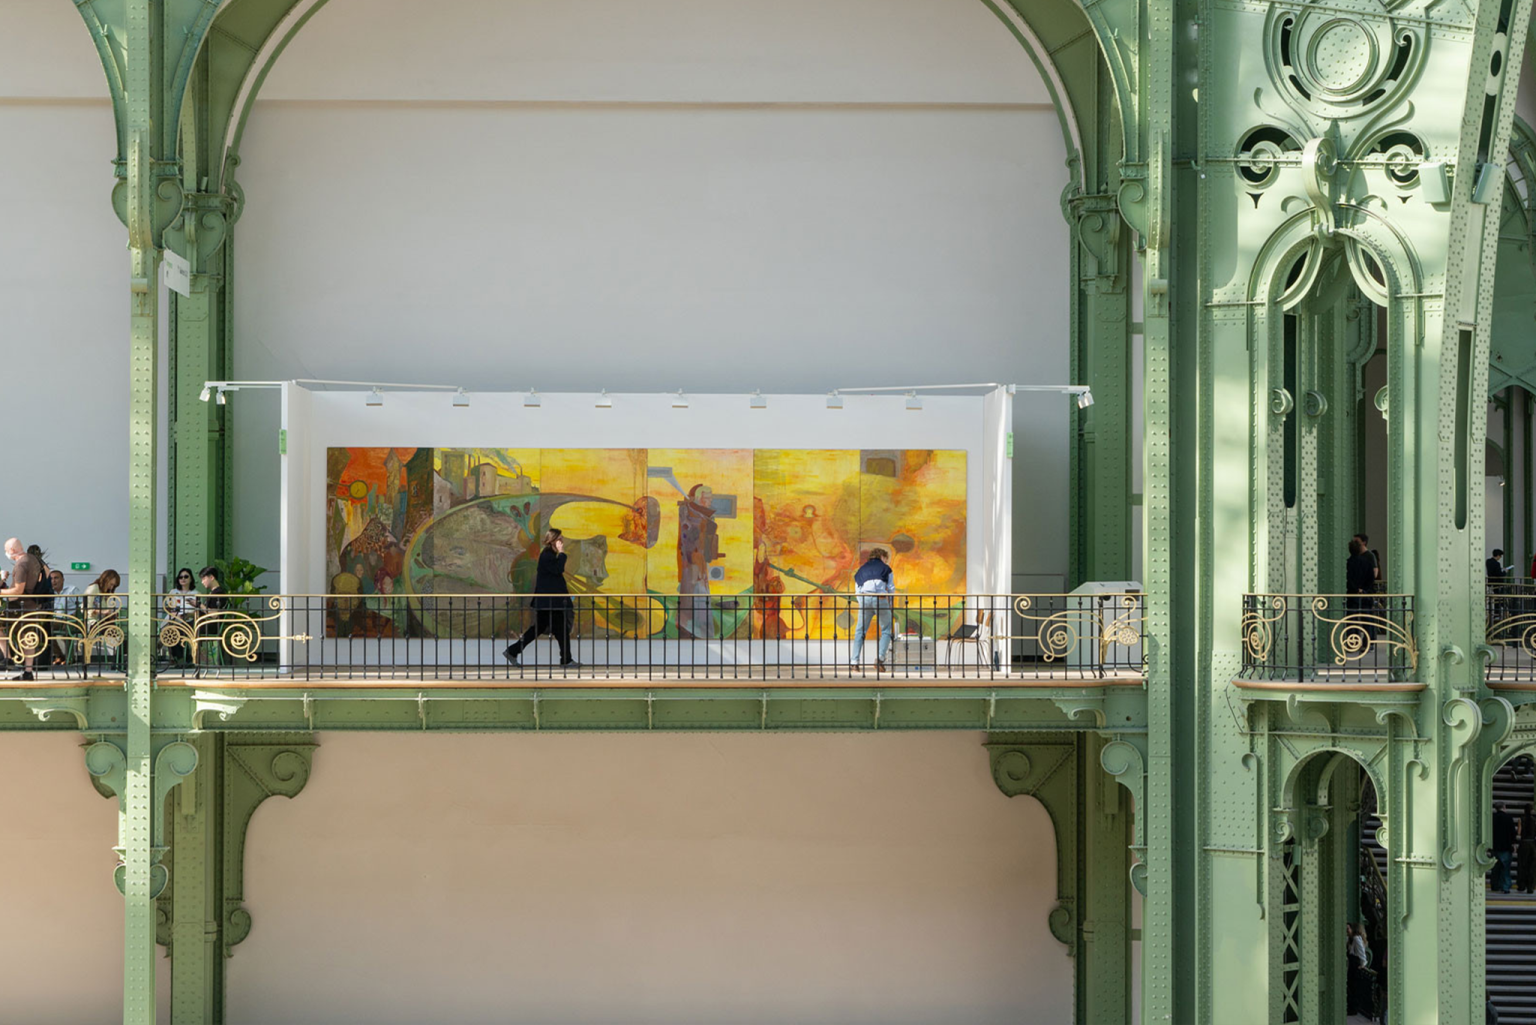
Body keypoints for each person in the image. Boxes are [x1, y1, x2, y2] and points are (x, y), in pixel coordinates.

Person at [503, 529, 580, 668]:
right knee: (556, 630)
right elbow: (558, 569)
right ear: (553, 540)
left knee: (545, 629)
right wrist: (562, 554)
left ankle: (513, 651)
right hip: (549, 602)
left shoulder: (548, 555)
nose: (562, 542)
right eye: (559, 539)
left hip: (550, 602)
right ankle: (566, 660)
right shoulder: (547, 555)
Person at [0, 537, 43, 680]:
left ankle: (8, 658)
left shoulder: (21, 565)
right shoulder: (32, 559)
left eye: (6, 551)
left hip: (19, 606)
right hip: (31, 605)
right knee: (28, 637)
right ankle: (28, 672)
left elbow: (18, 590)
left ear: (12, 550)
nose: (6, 553)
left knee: (5, 628)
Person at [849, 547, 895, 672]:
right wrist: (890, 606)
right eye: (886, 558)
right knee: (886, 630)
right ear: (882, 557)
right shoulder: (886, 569)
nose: (886, 561)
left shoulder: (861, 570)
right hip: (880, 599)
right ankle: (879, 660)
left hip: (864, 599)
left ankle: (854, 662)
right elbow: (891, 589)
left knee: (860, 631)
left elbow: (857, 591)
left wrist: (862, 602)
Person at [164, 567, 198, 664]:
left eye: (186, 577)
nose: (183, 579)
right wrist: (173, 613)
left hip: (189, 621)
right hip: (174, 618)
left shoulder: (196, 593)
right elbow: (166, 606)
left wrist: (189, 614)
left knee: (173, 630)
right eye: (180, 577)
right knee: (171, 630)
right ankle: (178, 658)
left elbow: (199, 611)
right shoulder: (173, 592)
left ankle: (181, 658)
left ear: (191, 579)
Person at [1346, 538, 1377, 641]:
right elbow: (1371, 578)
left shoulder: (1349, 563)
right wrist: (1363, 589)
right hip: (1365, 594)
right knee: (1366, 619)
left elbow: (1349, 579)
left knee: (1351, 619)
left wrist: (1356, 589)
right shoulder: (1367, 562)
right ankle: (1367, 642)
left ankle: (1352, 642)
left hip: (1352, 594)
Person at [1346, 923, 1371, 1016]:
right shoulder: (1350, 939)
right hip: (1353, 966)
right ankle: (1351, 1008)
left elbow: (1362, 954)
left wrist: (1362, 964)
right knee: (1352, 987)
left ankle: (1352, 1009)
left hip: (1355, 967)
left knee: (1353, 987)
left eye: (1348, 928)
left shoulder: (1356, 939)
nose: (1346, 931)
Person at [1493, 802, 1517, 893]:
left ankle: (1495, 885)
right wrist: (1513, 844)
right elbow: (1512, 832)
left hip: (1495, 846)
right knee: (1505, 868)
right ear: (1504, 807)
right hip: (1506, 847)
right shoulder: (1508, 818)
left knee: (1495, 868)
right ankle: (1505, 887)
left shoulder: (1492, 818)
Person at [1518, 804, 1536, 894]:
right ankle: (1530, 887)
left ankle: (1521, 885)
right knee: (1532, 866)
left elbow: (1519, 832)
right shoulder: (1534, 820)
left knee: (1522, 865)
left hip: (1523, 843)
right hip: (1532, 844)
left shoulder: (1521, 819)